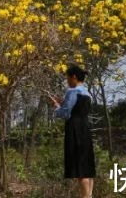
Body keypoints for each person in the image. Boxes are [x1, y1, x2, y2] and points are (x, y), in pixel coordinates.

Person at [47, 64, 96, 197]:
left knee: (79, 168)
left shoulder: (72, 91)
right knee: (87, 167)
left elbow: (66, 113)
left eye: (68, 78)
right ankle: (89, 196)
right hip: (85, 129)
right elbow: (77, 109)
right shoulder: (87, 93)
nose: (67, 81)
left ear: (74, 77)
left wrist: (56, 107)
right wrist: (63, 103)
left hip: (75, 130)